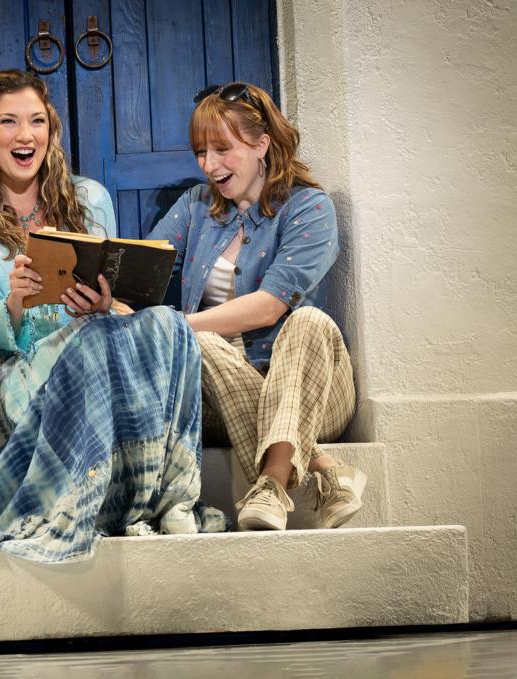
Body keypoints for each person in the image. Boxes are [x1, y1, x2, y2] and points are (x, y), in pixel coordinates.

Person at [0, 70, 223, 562]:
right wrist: (16, 300)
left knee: (166, 323)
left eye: (37, 121)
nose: (25, 135)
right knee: (92, 341)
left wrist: (107, 303)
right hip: (15, 374)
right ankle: (105, 504)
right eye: (9, 121)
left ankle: (169, 498)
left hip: (96, 350)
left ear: (51, 130)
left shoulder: (89, 198)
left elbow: (121, 301)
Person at [148, 82, 365, 532]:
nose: (209, 165)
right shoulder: (195, 207)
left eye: (222, 149)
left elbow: (269, 308)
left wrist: (180, 323)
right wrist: (110, 292)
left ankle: (273, 479)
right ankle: (322, 469)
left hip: (313, 388)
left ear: (262, 144)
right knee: (200, 343)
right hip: (221, 395)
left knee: (308, 321)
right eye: (201, 152)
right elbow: (144, 268)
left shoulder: (309, 208)